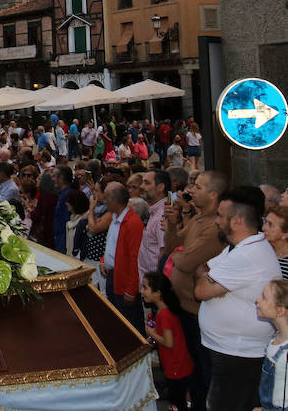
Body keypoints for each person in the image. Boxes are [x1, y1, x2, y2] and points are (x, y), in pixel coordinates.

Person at [196, 189, 281, 411]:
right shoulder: (241, 247)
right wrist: (215, 282)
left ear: (237, 221)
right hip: (230, 352)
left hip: (238, 356)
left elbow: (201, 290)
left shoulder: (247, 254)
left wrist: (212, 282)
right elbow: (203, 270)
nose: (216, 221)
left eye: (220, 216)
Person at [165, 170, 228, 411]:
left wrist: (182, 255)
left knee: (204, 370)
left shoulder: (213, 227)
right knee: (194, 369)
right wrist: (172, 226)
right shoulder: (198, 220)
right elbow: (173, 247)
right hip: (186, 308)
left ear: (213, 194)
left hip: (200, 313)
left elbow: (185, 261)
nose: (192, 191)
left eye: (198, 187)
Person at [142, 271, 194, 411]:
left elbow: (169, 342)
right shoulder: (166, 311)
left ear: (158, 293)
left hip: (175, 366)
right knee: (179, 398)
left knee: (177, 401)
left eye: (145, 287)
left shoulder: (164, 314)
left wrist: (152, 333)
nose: (142, 291)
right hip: (178, 364)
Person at [100, 182, 144, 332]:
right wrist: (103, 260)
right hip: (113, 278)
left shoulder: (132, 223)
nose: (103, 201)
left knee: (130, 327)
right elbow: (111, 245)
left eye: (106, 198)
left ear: (114, 200)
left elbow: (135, 258)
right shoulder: (115, 218)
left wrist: (131, 290)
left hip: (124, 284)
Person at [254, 279, 288, 411]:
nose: (257, 300)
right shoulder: (277, 337)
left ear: (280, 311)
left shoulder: (285, 354)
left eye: (264, 297)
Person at [138, 170, 169, 285]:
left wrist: (154, 285)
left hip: (155, 287)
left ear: (160, 187)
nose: (142, 186)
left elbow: (164, 252)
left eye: (147, 183)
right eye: (142, 182)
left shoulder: (163, 214)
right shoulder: (155, 211)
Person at [263, 206, 288, 279]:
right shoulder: (261, 247)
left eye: (270, 224)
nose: (263, 228)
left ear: (286, 234)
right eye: (265, 222)